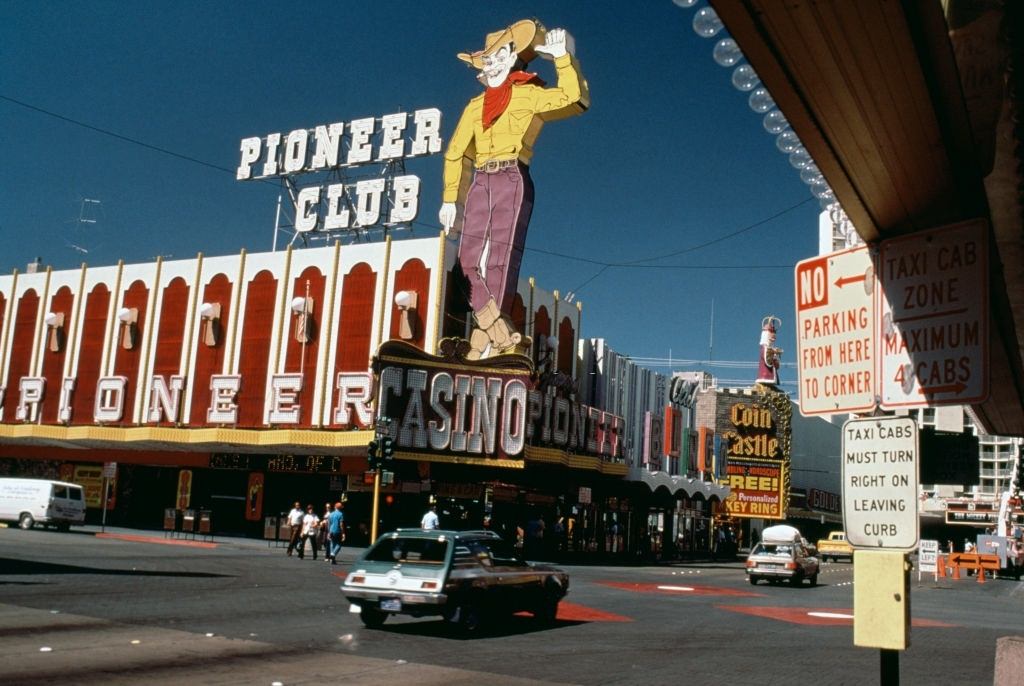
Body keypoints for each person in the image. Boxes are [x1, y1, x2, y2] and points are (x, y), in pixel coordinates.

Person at [439, 19, 589, 359]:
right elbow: (456, 152)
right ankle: (501, 334)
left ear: (511, 57)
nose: (489, 63)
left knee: (500, 265)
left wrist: (563, 58)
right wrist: (452, 198)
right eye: (485, 59)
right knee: (465, 265)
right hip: (479, 180)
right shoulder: (475, 106)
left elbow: (575, 98)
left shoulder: (527, 92)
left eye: (496, 56)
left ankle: (482, 347)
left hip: (511, 176)